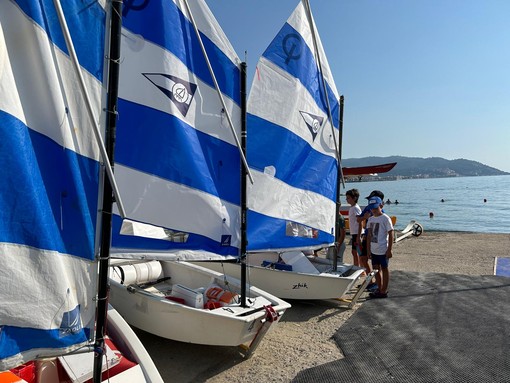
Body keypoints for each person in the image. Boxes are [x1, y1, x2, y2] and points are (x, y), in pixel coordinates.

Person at [365, 196, 394, 298]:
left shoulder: (385, 218)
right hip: (373, 249)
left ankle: (383, 290)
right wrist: (368, 249)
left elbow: (391, 233)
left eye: (376, 208)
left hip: (383, 249)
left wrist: (389, 249)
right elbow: (368, 235)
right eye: (372, 208)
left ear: (381, 206)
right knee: (375, 269)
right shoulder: (370, 219)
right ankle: (379, 287)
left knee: (384, 268)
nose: (373, 210)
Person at [356, 190, 385, 291]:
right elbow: (358, 220)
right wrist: (365, 217)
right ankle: (370, 280)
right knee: (363, 259)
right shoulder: (368, 209)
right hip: (366, 238)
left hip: (376, 241)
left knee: (377, 264)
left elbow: (388, 231)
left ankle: (377, 283)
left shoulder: (382, 214)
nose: (370, 204)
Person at [345, 189, 362, 269]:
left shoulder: (355, 208)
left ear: (354, 198)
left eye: (348, 198)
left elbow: (360, 222)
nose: (347, 199)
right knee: (354, 251)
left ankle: (358, 267)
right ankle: (357, 266)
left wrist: (359, 236)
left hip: (356, 233)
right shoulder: (352, 208)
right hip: (354, 233)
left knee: (357, 251)